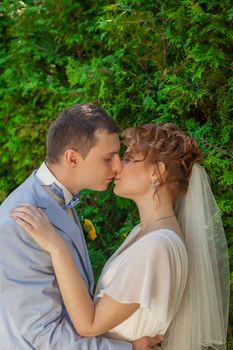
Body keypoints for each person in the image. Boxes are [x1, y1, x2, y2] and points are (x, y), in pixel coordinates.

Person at [11, 123, 230, 350]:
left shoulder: (158, 246)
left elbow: (89, 325)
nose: (117, 167)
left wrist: (56, 247)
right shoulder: (144, 233)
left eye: (128, 158)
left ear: (157, 172)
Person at [0, 104, 162, 350]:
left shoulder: (55, 198)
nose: (118, 166)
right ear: (72, 158)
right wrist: (130, 349)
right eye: (108, 158)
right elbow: (44, 335)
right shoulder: (20, 222)